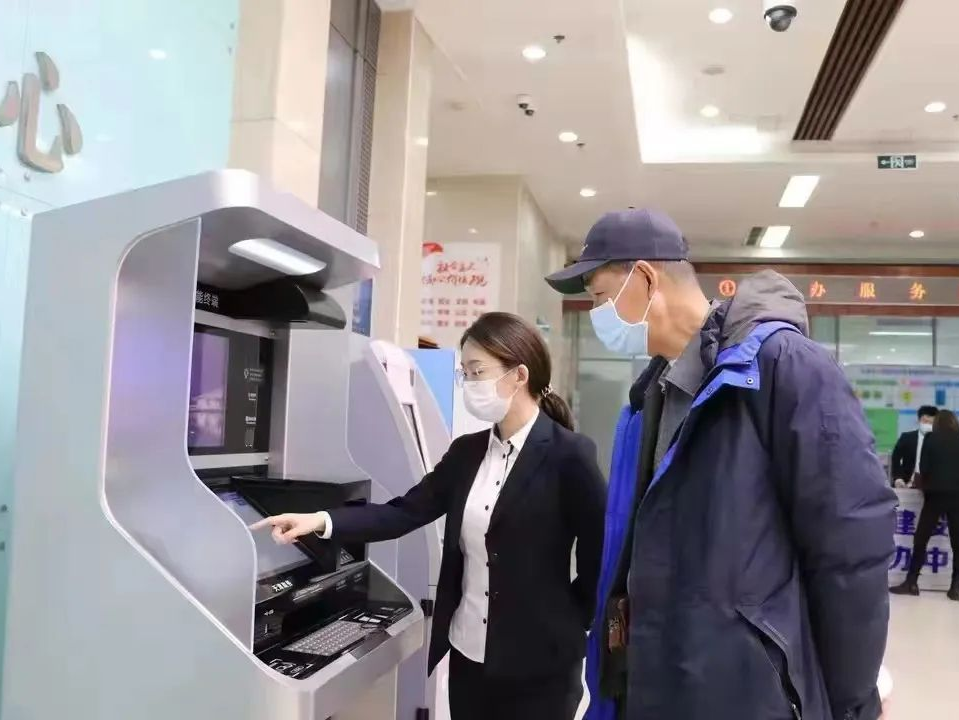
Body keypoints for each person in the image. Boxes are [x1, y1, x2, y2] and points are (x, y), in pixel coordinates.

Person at [545, 209, 898, 720]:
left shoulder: (782, 367)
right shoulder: (650, 397)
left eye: (600, 297)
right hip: (660, 684)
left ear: (645, 278)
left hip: (745, 693)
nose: (597, 314)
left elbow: (849, 547)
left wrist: (852, 701)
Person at [252, 312, 607, 720]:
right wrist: (322, 521)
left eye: (478, 371)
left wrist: (567, 621)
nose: (469, 383)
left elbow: (600, 555)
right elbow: (403, 513)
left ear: (519, 376)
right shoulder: (466, 453)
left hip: (540, 666)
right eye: (464, 373)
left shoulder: (569, 455)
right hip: (469, 659)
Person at [890, 409, 959, 600]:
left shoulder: (930, 438)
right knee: (957, 543)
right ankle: (956, 587)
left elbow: (924, 467)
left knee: (921, 539)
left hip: (934, 496)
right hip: (957, 496)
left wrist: (926, 485)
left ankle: (911, 582)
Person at [890, 406, 938, 488]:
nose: (928, 425)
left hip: (930, 486)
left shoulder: (939, 441)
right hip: (906, 483)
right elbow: (895, 458)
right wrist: (898, 478)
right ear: (919, 420)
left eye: (931, 423)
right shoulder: (906, 437)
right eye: (925, 421)